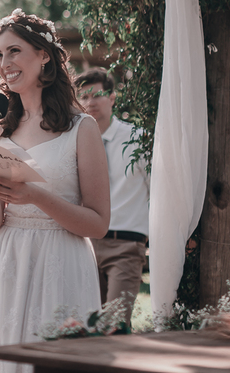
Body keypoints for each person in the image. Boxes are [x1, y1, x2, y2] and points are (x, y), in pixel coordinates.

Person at [0, 10, 110, 373]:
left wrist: (35, 196)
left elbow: (98, 224)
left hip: (61, 263)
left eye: (15, 51)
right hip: (7, 260)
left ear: (44, 55)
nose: (5, 63)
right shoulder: (0, 128)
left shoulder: (81, 128)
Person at [77, 68, 149, 324]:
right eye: (83, 96)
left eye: (96, 95)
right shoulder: (75, 143)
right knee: (86, 324)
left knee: (115, 325)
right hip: (85, 246)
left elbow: (156, 193)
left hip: (125, 245)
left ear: (113, 98)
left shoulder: (138, 140)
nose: (89, 102)